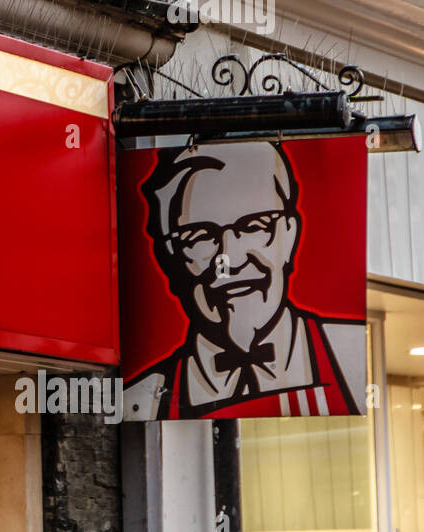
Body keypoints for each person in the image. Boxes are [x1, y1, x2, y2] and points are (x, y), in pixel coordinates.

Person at [124, 142, 365, 420]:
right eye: (200, 236)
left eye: (253, 226)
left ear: (289, 234)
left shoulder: (350, 357)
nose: (231, 260)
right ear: (171, 256)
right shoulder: (140, 399)